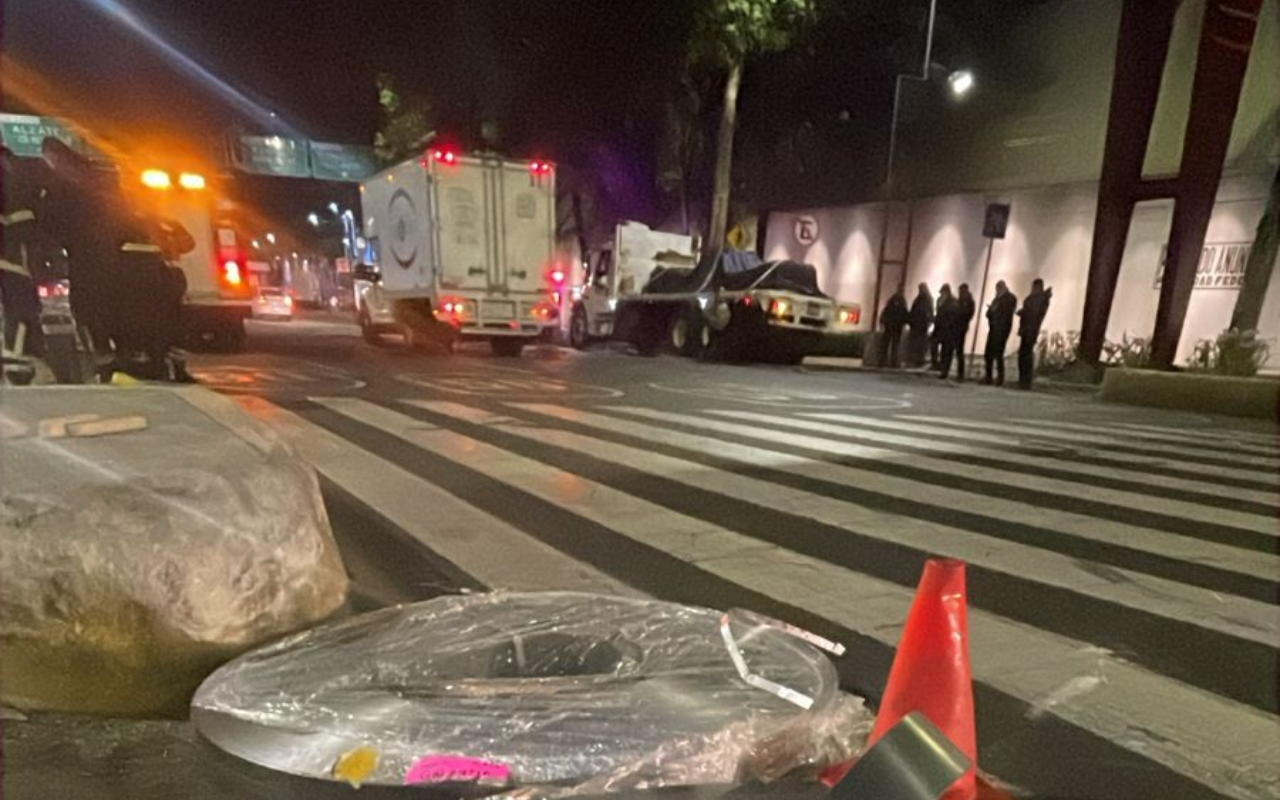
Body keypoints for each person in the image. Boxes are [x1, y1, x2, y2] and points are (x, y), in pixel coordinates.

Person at [1017, 278, 1053, 389]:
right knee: (1023, 355)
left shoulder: (1039, 300)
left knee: (1026, 355)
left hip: (1030, 329)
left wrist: (1024, 312)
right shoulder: (1033, 299)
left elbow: (1035, 314)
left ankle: (1025, 381)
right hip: (1026, 328)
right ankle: (1023, 380)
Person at [983, 280, 1017, 386]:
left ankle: (1000, 378)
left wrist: (996, 309)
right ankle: (988, 377)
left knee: (998, 353)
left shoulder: (1010, 298)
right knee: (988, 353)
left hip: (1002, 329)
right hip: (993, 328)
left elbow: (1007, 312)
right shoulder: (996, 299)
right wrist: (991, 311)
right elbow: (989, 313)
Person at [879, 285, 909, 368]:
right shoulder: (899, 301)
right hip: (894, 326)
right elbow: (904, 313)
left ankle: (887, 362)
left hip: (893, 326)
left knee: (891, 345)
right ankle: (889, 362)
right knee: (892, 345)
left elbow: (886, 311)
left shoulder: (897, 300)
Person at [906, 283, 933, 367]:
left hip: (921, 325)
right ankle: (916, 359)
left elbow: (928, 312)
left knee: (919, 343)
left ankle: (919, 360)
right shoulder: (920, 299)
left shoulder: (924, 299)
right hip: (918, 324)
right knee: (917, 343)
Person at [930, 284, 953, 369]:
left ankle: (943, 364)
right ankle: (935, 363)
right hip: (938, 325)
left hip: (946, 327)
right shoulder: (939, 300)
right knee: (934, 344)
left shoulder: (951, 301)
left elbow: (950, 315)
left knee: (944, 347)